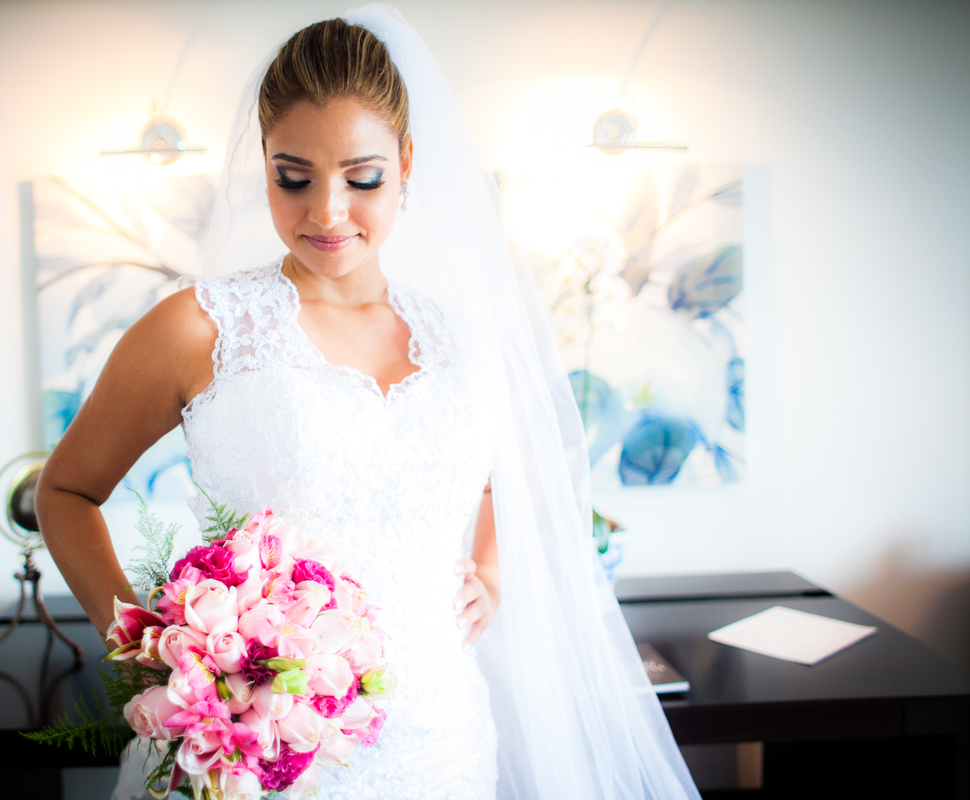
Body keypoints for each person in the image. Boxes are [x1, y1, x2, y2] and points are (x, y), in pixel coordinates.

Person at [37, 6, 701, 800]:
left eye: (362, 177)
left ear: (408, 162)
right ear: (264, 163)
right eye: (294, 176)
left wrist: (489, 569)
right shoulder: (197, 328)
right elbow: (67, 491)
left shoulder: (465, 341)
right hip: (261, 752)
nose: (326, 212)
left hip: (445, 741)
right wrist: (154, 646)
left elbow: (507, 473)